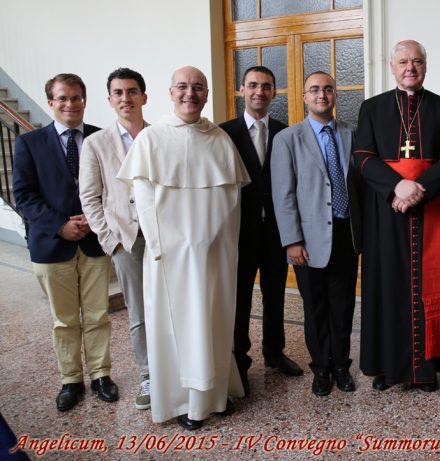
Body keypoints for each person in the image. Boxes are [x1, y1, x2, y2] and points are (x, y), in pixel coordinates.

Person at [117, 66, 248, 430]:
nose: (190, 93)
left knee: (215, 322)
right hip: (170, 256)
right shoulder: (151, 139)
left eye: (198, 88)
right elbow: (144, 203)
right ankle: (185, 402)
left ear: (207, 94)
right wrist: (165, 245)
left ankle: (216, 396)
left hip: (214, 255)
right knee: (177, 329)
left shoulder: (220, 139)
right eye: (182, 87)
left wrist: (219, 245)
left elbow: (231, 201)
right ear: (170, 92)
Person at [353, 40, 440, 392]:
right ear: (391, 66)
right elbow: (362, 155)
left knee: (428, 286)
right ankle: (389, 368)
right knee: (388, 286)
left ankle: (426, 369)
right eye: (403, 61)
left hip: (429, 208)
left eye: (417, 61)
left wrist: (418, 188)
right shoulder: (372, 108)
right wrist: (396, 188)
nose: (410, 67)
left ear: (425, 66)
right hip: (386, 213)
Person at [13, 73, 118, 412]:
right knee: (64, 319)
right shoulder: (30, 143)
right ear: (51, 103)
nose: (70, 104)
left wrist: (94, 219)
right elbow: (24, 196)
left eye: (76, 97)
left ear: (85, 100)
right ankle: (71, 379)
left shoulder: (101, 138)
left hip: (93, 240)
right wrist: (59, 225)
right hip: (51, 243)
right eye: (62, 98)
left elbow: (113, 188)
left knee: (98, 314)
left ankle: (101, 374)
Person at [271, 71, 361, 397]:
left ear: (335, 95)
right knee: (315, 308)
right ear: (305, 97)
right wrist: (292, 241)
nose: (322, 95)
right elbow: (283, 194)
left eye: (327, 89)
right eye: (315, 90)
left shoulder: (352, 133)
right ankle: (321, 368)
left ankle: (341, 366)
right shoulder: (288, 139)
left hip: (346, 234)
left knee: (343, 306)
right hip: (307, 241)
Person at [220, 66, 302, 394]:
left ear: (274, 93)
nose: (259, 91)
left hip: (275, 232)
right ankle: (239, 356)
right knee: (239, 298)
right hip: (238, 232)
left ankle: (274, 352)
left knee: (275, 295)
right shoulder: (223, 133)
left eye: (266, 86)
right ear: (241, 90)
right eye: (253, 85)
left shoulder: (285, 133)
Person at [79, 68, 151, 410]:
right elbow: (90, 198)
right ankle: (149, 374)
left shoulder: (159, 135)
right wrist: (112, 241)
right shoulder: (95, 144)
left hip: (163, 237)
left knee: (169, 306)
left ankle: (174, 367)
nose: (126, 98)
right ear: (110, 100)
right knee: (138, 309)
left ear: (144, 97)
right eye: (119, 93)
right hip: (125, 240)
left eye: (132, 91)